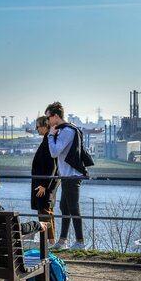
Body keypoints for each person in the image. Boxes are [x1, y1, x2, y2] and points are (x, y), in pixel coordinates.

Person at [45, 102, 92, 250]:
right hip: (66, 175)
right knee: (64, 207)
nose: (48, 121)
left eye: (48, 118)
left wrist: (50, 136)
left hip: (71, 176)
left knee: (73, 208)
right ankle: (62, 241)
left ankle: (80, 242)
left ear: (56, 116)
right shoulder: (67, 129)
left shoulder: (66, 131)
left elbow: (54, 152)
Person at [31, 116, 59, 246]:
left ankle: (50, 242)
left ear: (44, 126)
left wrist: (43, 185)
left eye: (38, 126)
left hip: (44, 185)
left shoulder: (48, 141)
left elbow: (51, 165)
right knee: (47, 212)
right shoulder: (48, 140)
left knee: (45, 213)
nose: (36, 129)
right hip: (46, 184)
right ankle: (51, 241)